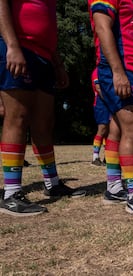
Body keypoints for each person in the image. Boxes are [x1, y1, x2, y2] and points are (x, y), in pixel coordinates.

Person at [0, 0, 86, 217]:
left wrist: (58, 65)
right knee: (17, 117)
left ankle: (52, 183)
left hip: (44, 58)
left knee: (44, 124)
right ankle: (11, 193)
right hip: (19, 48)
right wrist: (12, 46)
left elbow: (48, 29)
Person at [88, 0, 133, 216]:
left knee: (118, 129)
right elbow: (102, 26)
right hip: (122, 70)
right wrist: (118, 71)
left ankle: (114, 187)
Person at [90, 67, 109, 166]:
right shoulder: (97, 71)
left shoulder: (108, 70)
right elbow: (98, 88)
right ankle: (95, 157)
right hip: (100, 103)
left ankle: (108, 157)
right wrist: (109, 100)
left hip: (108, 103)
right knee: (102, 129)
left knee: (109, 131)